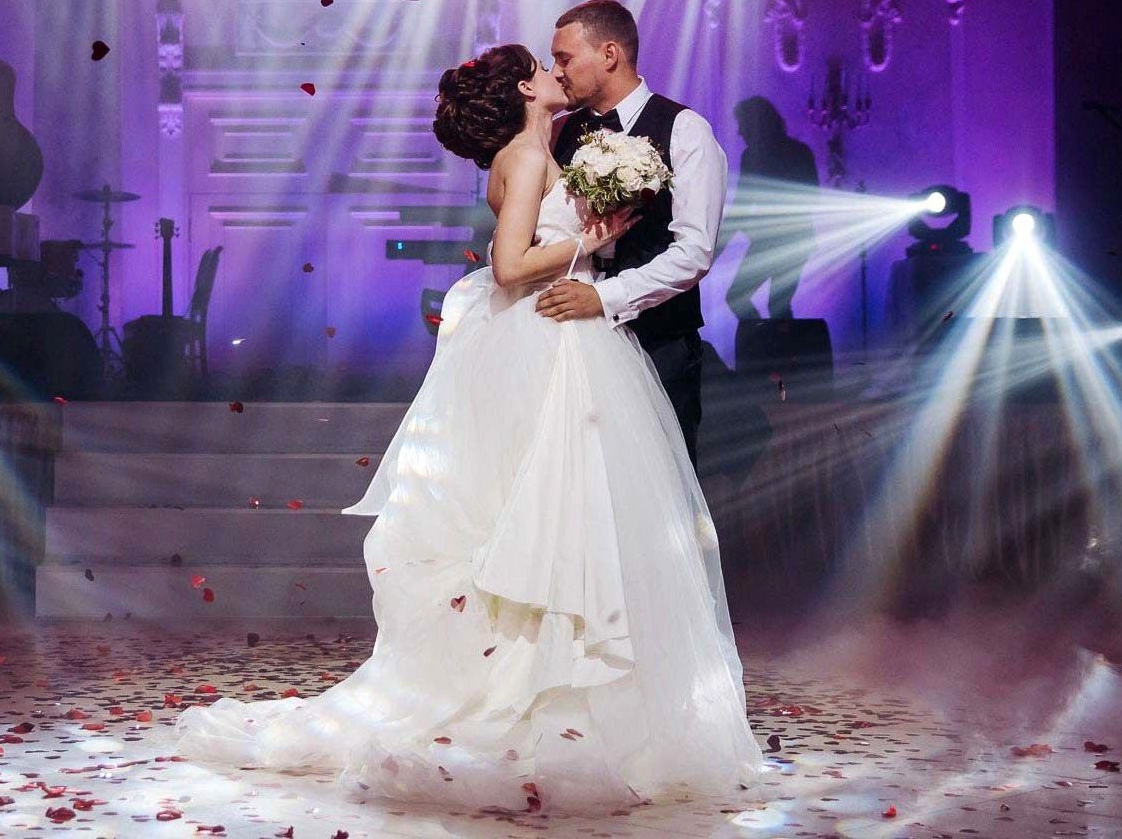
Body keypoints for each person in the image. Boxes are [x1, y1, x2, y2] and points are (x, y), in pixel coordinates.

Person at [175, 44, 763, 815]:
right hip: (551, 337)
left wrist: (597, 233)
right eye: (545, 65)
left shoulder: (543, 148)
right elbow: (511, 265)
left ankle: (578, 693)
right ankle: (533, 691)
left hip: (566, 336)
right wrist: (592, 242)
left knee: (564, 519)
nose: (556, 71)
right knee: (546, 516)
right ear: (524, 87)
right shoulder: (526, 155)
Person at [539, 0, 728, 466]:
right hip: (570, 342)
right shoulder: (559, 133)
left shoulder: (685, 130)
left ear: (609, 54)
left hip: (658, 340)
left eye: (565, 58)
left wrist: (603, 298)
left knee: (659, 478)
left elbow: (694, 252)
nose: (557, 72)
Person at [722, 96, 818, 321]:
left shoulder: (754, 157)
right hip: (791, 239)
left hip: (785, 240)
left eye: (742, 125)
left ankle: (764, 340)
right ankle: (770, 340)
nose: (739, 132)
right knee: (775, 305)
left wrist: (715, 249)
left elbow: (742, 206)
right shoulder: (799, 151)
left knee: (748, 299)